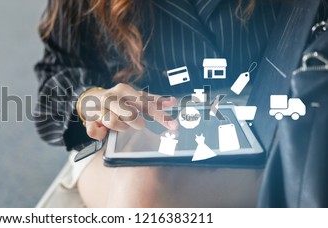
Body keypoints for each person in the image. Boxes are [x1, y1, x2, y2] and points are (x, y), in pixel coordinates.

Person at [34, 0, 328, 207]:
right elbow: (55, 79)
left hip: (261, 117)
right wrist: (90, 100)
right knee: (142, 194)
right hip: (124, 129)